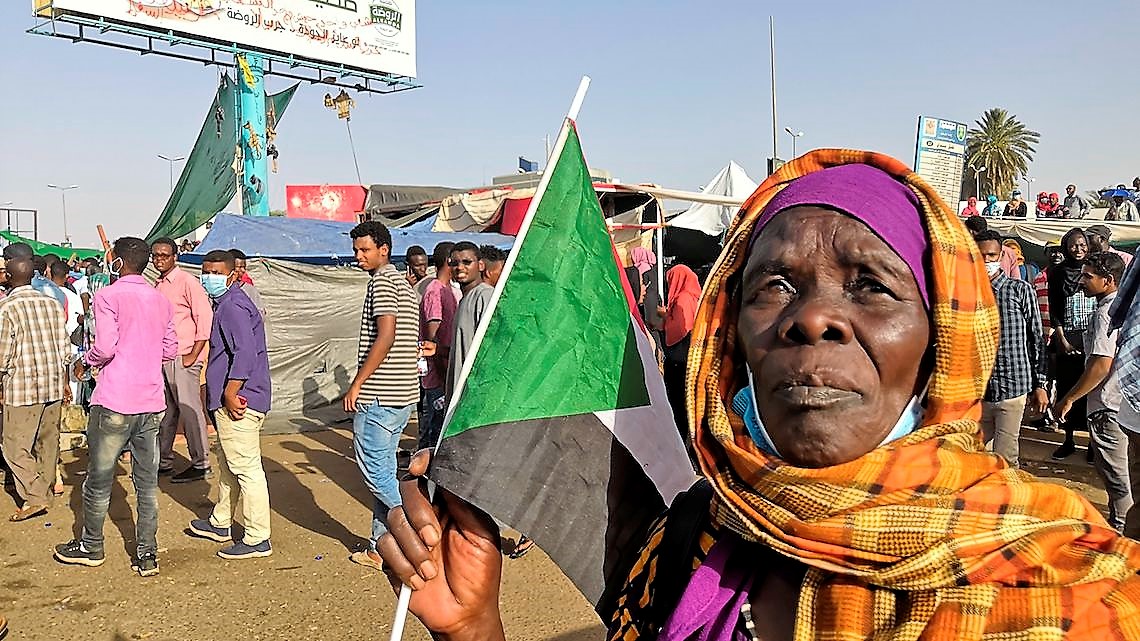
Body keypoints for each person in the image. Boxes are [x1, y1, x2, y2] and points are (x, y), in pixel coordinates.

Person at [378, 153, 1140, 641]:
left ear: (941, 340)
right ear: (729, 336)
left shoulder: (1066, 584)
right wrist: (476, 627)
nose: (813, 317)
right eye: (774, 285)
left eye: (872, 284)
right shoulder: (684, 543)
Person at [52, 237, 176, 576]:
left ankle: (92, 546)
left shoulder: (108, 296)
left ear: (118, 262)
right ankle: (147, 554)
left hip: (115, 401)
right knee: (147, 484)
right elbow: (170, 350)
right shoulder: (160, 300)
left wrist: (85, 363)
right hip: (150, 403)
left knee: (98, 480)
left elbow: (105, 346)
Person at [186, 250, 274, 560]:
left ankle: (257, 536)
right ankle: (221, 521)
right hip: (239, 395)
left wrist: (230, 391)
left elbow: (244, 354)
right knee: (229, 463)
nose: (208, 277)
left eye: (215, 272)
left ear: (232, 275)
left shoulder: (233, 306)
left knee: (246, 468)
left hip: (241, 398)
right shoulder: (226, 303)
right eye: (205, 271)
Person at [342, 221, 419, 570]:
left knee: (377, 475)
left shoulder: (384, 283)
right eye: (356, 250)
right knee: (384, 471)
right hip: (401, 393)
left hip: (380, 395)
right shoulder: (403, 284)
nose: (359, 256)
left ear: (383, 250)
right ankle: (380, 547)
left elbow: (385, 335)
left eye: (365, 250)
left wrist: (358, 382)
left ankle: (417, 532)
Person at [1053, 252, 1130, 531]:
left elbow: (1100, 364)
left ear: (1108, 281)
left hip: (1107, 406)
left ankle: (1123, 533)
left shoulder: (1104, 313)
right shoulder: (1123, 307)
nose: (1081, 281)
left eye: (1088, 276)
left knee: (1118, 479)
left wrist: (1068, 399)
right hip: (1119, 403)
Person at [0, 256, 69, 522]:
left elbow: (3, 354)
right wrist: (62, 382)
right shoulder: (52, 303)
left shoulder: (7, 308)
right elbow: (64, 348)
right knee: (47, 443)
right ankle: (45, 491)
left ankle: (36, 495)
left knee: (14, 445)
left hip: (22, 386)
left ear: (8, 276)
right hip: (51, 383)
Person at [975, 230, 1048, 468]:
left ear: (1001, 257)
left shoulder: (1019, 291)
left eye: (991, 255)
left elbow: (1036, 339)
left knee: (1006, 459)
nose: (985, 261)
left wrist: (1040, 385)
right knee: (977, 458)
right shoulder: (967, 294)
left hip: (1013, 387)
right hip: (979, 391)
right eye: (980, 255)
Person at [151, 237, 213, 483]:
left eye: (164, 255)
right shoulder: (158, 285)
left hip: (184, 354)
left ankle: (201, 462)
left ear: (175, 256)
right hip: (165, 356)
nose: (159, 260)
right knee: (167, 412)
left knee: (190, 409)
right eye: (156, 255)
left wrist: (193, 354)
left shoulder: (187, 282)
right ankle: (163, 460)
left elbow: (204, 318)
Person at [1049, 228, 1096, 460]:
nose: (1079, 249)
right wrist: (1063, 340)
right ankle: (1068, 440)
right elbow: (1055, 308)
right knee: (1067, 388)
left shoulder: (1095, 269)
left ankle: (1091, 445)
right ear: (1066, 247)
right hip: (1068, 337)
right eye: (1073, 245)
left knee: (1090, 390)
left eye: (1082, 244)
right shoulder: (1057, 273)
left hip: (1092, 337)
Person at [417, 243, 458, 452]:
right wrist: (442, 369)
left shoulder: (448, 290)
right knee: (434, 427)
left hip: (445, 369)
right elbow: (431, 338)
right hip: (437, 374)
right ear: (448, 260)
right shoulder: (435, 291)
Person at [446, 242, 494, 400]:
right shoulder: (464, 299)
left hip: (475, 394)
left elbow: (490, 348)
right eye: (454, 263)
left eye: (467, 262)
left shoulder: (485, 296)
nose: (459, 267)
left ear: (480, 265)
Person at [659, 264, 701, 440]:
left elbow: (678, 330)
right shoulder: (693, 296)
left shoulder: (683, 299)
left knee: (677, 403)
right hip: (690, 358)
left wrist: (664, 317)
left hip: (679, 360)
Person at [227, 248, 265, 316]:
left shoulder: (249, 289)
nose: (243, 270)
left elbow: (260, 312)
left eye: (244, 267)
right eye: (239, 267)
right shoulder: (219, 289)